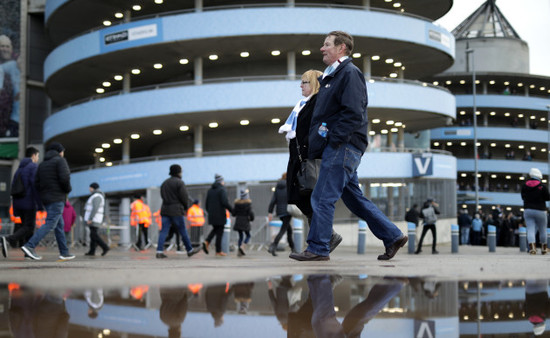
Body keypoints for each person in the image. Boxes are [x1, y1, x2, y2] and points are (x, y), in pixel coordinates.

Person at [290, 31, 407, 261]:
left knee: (322, 197)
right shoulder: (332, 76)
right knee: (354, 199)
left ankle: (318, 248)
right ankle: (392, 236)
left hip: (342, 147)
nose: (322, 49)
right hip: (339, 147)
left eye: (327, 45)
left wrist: (334, 139)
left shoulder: (349, 74)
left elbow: (353, 113)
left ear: (341, 48)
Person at [281, 70, 343, 255]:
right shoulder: (302, 105)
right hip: (298, 160)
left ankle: (319, 243)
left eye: (305, 82)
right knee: (303, 199)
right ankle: (325, 238)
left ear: (315, 84)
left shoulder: (318, 103)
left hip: (310, 159)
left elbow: (324, 128)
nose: (301, 85)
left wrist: (314, 145)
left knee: (310, 199)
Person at [20, 142, 75, 261]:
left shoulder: (42, 164)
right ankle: (29, 246)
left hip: (47, 199)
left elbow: (36, 183)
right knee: (50, 223)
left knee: (59, 225)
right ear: (59, 151)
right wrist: (67, 190)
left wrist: (44, 195)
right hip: (57, 198)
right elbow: (65, 178)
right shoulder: (60, 161)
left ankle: (64, 252)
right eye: (62, 150)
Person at [1, 147, 41, 258]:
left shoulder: (19, 168)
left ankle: (28, 253)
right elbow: (35, 186)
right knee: (29, 226)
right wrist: (40, 204)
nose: (37, 158)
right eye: (37, 156)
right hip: (29, 202)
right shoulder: (33, 167)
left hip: (18, 203)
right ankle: (8, 239)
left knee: (26, 227)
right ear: (33, 156)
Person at [155, 164, 200, 259]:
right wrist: (185, 207)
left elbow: (163, 196)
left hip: (165, 209)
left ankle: (159, 251)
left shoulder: (164, 183)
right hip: (176, 210)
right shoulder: (179, 183)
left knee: (163, 231)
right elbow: (184, 197)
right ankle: (190, 250)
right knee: (182, 230)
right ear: (178, 172)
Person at [521, 168, 550, 255]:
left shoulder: (524, 185)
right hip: (540, 210)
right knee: (542, 229)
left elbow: (523, 197)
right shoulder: (542, 186)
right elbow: (548, 198)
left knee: (530, 229)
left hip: (528, 210)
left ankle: (532, 248)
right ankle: (544, 249)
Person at [203, 174, 233, 257]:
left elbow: (206, 204)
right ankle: (217, 250)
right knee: (219, 232)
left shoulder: (210, 190)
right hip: (220, 214)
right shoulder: (222, 189)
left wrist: (210, 212)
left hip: (212, 214)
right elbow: (225, 202)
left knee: (216, 229)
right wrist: (232, 210)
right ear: (221, 181)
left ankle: (208, 242)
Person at [267, 173, 295, 256]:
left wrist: (270, 212)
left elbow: (273, 200)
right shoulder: (289, 186)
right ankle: (273, 246)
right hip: (287, 211)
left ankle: (293, 248)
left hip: (280, 212)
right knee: (283, 230)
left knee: (289, 230)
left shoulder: (278, 187)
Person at [84, 182, 109, 257]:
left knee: (94, 235)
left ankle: (105, 247)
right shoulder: (95, 196)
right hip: (95, 218)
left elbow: (95, 208)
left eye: (90, 187)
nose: (89, 189)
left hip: (95, 218)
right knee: (92, 235)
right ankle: (92, 251)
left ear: (93, 188)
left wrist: (90, 218)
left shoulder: (97, 196)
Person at [233, 189, 254, 256]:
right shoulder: (248, 204)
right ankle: (243, 246)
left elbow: (233, 213)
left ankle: (239, 250)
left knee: (240, 236)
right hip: (245, 221)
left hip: (238, 221)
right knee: (248, 235)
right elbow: (251, 213)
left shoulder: (237, 204)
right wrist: (251, 219)